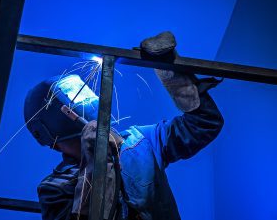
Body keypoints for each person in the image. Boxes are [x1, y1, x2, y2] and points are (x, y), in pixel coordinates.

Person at [24, 32, 224, 220]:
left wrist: (168, 68)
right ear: (55, 143)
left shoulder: (142, 142)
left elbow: (204, 123)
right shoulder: (55, 189)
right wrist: (95, 164)